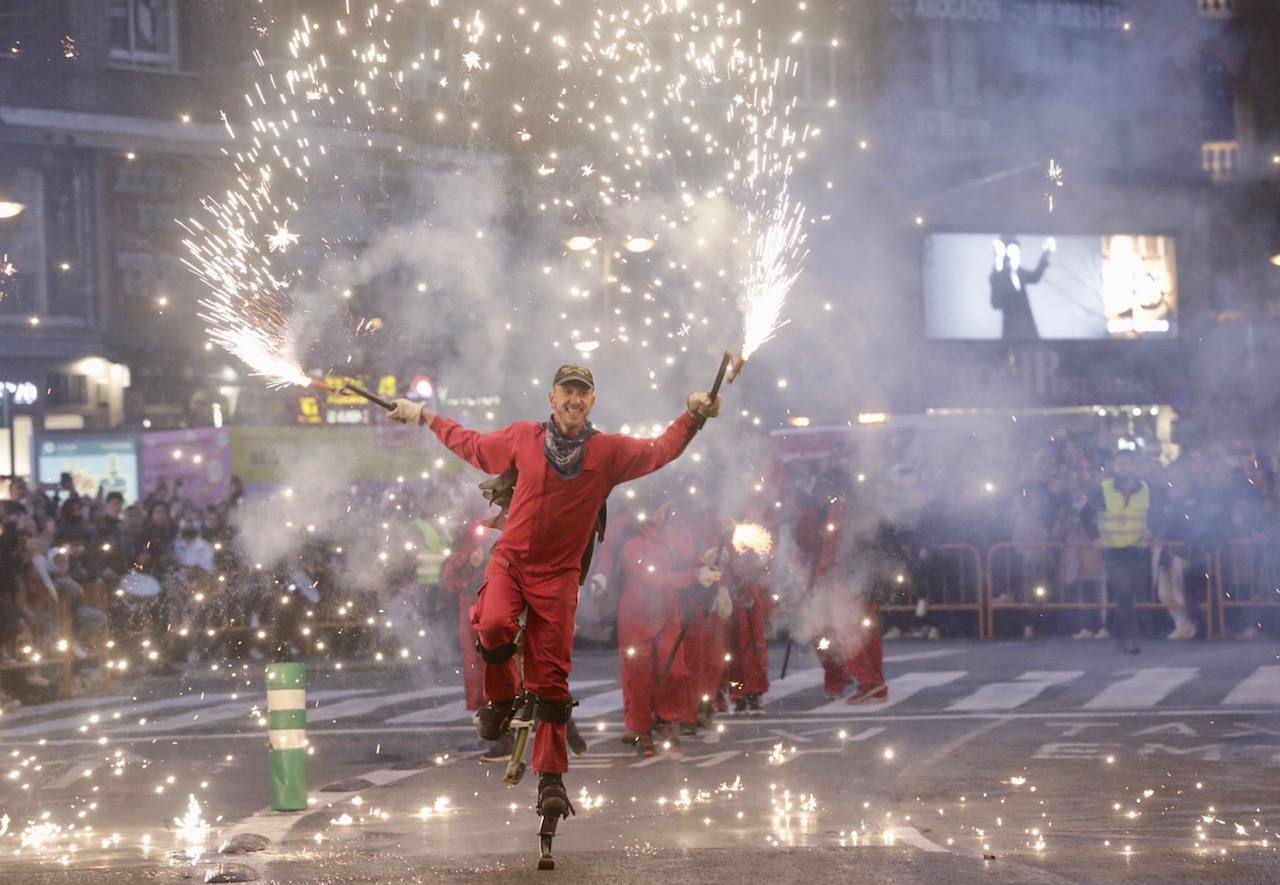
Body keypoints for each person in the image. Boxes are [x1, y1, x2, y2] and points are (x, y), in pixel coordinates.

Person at [387, 364, 720, 845]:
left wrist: (692, 416)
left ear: (592, 402)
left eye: (582, 393)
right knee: (494, 625)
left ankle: (551, 779)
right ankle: (500, 701)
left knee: (552, 681)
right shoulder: (524, 437)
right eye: (567, 391)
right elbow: (474, 446)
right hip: (512, 563)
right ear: (552, 396)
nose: (574, 399)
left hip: (559, 577)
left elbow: (659, 451)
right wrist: (424, 417)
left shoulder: (608, 452)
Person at [616, 499, 720, 756]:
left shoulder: (667, 538)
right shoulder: (632, 545)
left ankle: (667, 717)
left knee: (674, 670)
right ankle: (642, 731)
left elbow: (682, 557)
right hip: (636, 620)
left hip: (667, 614)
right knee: (639, 677)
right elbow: (657, 579)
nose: (666, 514)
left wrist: (702, 560)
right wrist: (695, 577)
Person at [1082, 451, 1157, 654]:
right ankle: (1131, 638)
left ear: (1134, 466)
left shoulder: (1146, 489)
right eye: (1120, 463)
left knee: (1130, 593)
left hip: (1137, 548)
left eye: (1127, 463)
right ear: (1114, 466)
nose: (1123, 467)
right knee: (1124, 590)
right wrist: (1095, 537)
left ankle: (1117, 633)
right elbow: (1085, 515)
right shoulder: (1103, 490)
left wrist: (1154, 530)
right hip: (1113, 550)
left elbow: (1158, 513)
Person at [990, 236, 1053, 340]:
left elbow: (1035, 277)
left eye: (1016, 251)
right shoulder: (998, 275)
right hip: (1012, 330)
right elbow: (995, 303)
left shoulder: (1019, 272)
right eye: (1012, 251)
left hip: (1028, 327)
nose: (1016, 255)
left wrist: (1046, 254)